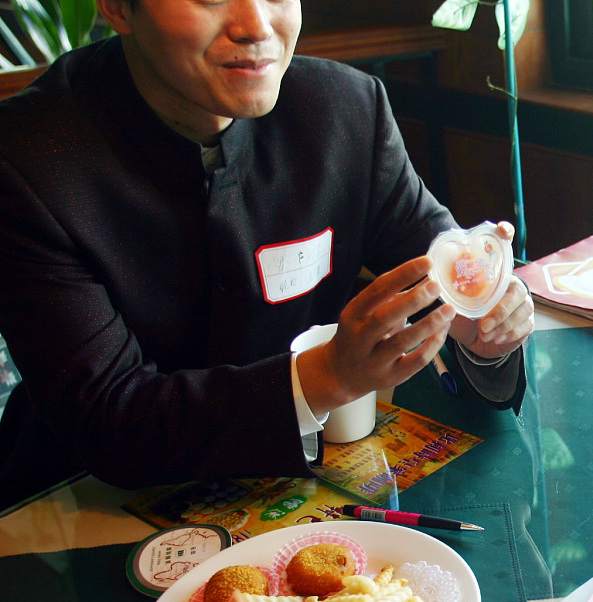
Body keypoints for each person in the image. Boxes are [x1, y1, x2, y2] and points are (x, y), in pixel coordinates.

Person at [0, 0, 534, 509]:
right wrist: (327, 376)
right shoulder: (27, 159)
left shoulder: (346, 109)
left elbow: (445, 262)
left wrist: (487, 323)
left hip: (304, 490)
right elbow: (108, 421)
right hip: (85, 508)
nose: (256, 25)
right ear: (117, 7)